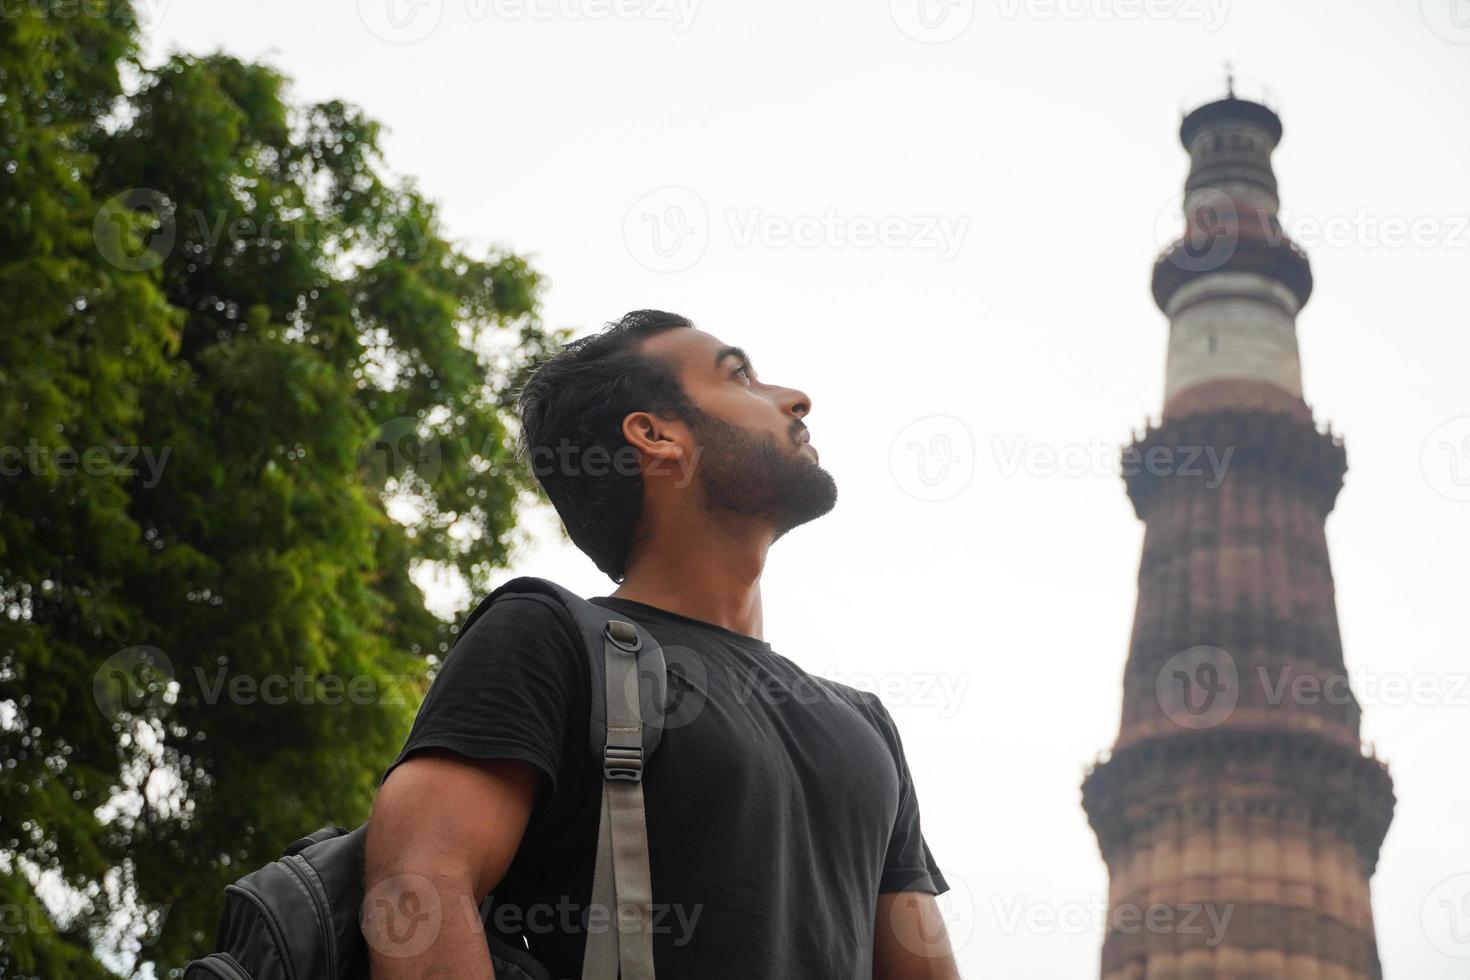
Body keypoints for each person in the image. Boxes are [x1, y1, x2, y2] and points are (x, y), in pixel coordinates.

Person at [364, 310, 958, 978]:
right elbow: (418, 887)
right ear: (656, 435)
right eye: (741, 377)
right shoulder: (550, 638)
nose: (795, 399)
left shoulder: (865, 723)